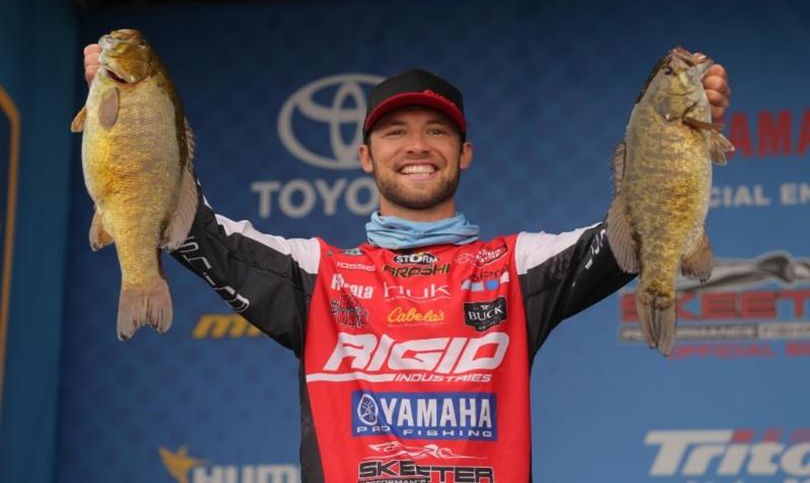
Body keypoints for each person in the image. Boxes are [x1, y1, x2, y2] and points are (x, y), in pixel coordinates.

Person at [83, 45, 730, 482]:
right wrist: (133, 114)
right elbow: (194, 229)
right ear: (366, 155)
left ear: (465, 152)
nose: (416, 145)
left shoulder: (516, 267)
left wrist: (678, 129)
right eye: (395, 130)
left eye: (437, 130)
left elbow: (637, 237)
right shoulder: (317, 275)